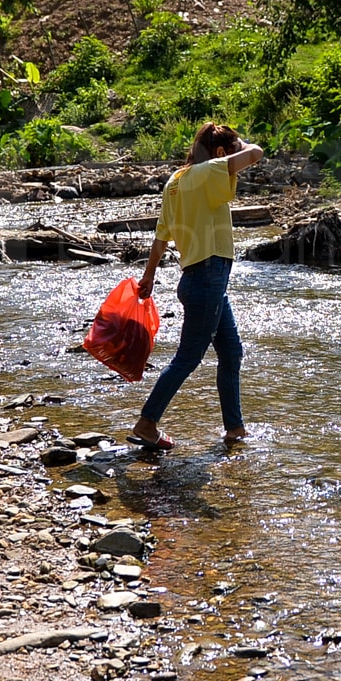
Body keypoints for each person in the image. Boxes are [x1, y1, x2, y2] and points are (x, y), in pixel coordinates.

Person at [129, 123, 265, 449]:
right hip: (208, 277)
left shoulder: (174, 182)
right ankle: (147, 422)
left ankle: (234, 429)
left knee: (231, 352)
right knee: (188, 357)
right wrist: (239, 143)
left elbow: (162, 234)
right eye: (231, 148)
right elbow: (256, 153)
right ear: (220, 153)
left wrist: (149, 275)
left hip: (197, 278)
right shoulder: (210, 170)